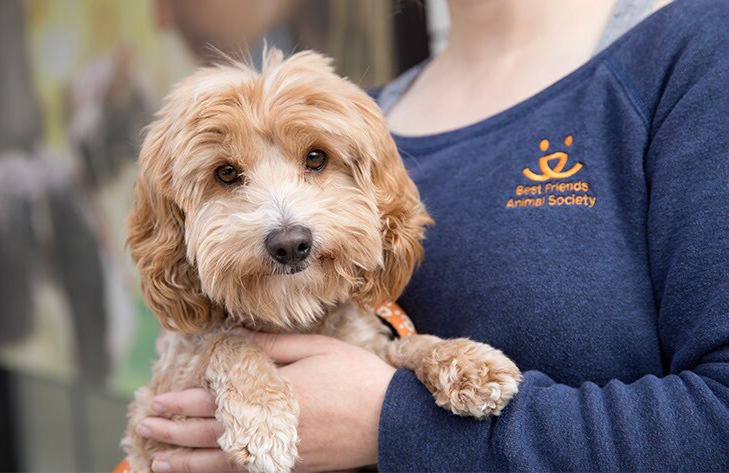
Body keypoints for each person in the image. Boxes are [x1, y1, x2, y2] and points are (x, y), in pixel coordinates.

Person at [133, 0, 729, 471]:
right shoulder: (362, 112)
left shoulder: (692, 53)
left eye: (314, 160)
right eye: (230, 175)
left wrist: (388, 423)